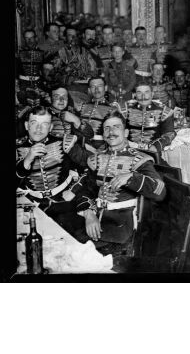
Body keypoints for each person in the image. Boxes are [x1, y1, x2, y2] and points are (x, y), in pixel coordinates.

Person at [83, 111, 166, 255]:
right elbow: (86, 189)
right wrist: (89, 213)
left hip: (123, 227)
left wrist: (132, 177)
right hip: (96, 220)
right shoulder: (97, 158)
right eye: (107, 128)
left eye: (116, 127)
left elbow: (160, 192)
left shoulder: (139, 159)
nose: (111, 132)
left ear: (126, 132)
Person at [16, 105, 93, 242]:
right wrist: (27, 160)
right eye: (34, 123)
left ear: (51, 127)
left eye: (44, 124)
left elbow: (90, 168)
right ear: (27, 126)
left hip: (65, 205)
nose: (39, 129)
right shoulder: (17, 149)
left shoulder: (64, 144)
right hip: (35, 209)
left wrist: (75, 192)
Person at [124, 83, 176, 154]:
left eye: (146, 92)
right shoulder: (126, 110)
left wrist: (156, 146)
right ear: (135, 95)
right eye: (139, 93)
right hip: (129, 151)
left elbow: (169, 133)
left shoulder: (164, 111)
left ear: (152, 94)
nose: (143, 96)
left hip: (153, 152)